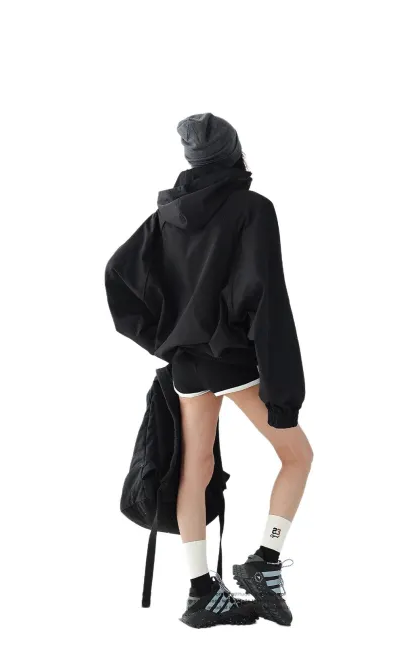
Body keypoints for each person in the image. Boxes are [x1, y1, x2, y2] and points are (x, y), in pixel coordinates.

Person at [105, 112, 313, 628]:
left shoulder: (166, 215)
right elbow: (268, 299)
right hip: (230, 359)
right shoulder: (252, 209)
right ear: (233, 153)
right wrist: (284, 390)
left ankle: (201, 591)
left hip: (188, 365)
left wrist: (164, 339)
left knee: (194, 470)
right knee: (298, 455)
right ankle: (265, 561)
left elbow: (118, 273)